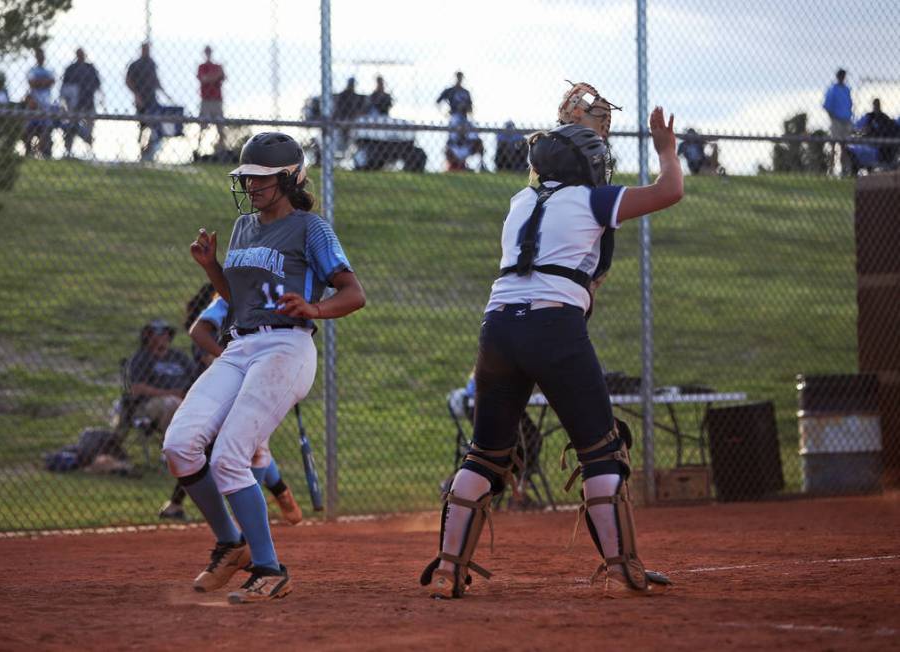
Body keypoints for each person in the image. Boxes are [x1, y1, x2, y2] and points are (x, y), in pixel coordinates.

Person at [419, 106, 683, 599]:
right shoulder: (591, 198)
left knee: (485, 454)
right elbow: (670, 192)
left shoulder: (521, 199)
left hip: (497, 326)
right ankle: (623, 565)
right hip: (553, 325)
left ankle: (448, 568)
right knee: (602, 450)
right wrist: (666, 150)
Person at [162, 132, 366, 604]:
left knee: (231, 455)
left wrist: (314, 310)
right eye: (246, 177)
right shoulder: (243, 228)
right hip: (239, 346)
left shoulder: (310, 227)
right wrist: (213, 268)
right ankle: (232, 545)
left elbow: (353, 293)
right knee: (179, 447)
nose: (250, 185)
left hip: (285, 347)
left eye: (260, 177)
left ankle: (271, 569)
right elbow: (238, 300)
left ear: (289, 178)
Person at [158, 292, 303, 525]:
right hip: (225, 381)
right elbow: (198, 332)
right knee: (203, 445)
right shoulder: (228, 300)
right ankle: (275, 495)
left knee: (254, 447)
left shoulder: (267, 297)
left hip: (262, 378)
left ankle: (253, 515)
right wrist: (227, 358)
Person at [125, 319, 195, 435]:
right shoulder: (141, 357)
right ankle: (170, 445)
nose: (163, 337)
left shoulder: (179, 356)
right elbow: (137, 388)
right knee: (172, 403)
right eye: (157, 333)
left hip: (185, 399)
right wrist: (170, 393)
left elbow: (197, 378)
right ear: (147, 337)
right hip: (150, 404)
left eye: (165, 333)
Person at [126, 42, 165, 161]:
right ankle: (141, 151)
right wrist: (137, 96)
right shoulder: (135, 64)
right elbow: (128, 80)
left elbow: (156, 80)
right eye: (145, 49)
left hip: (152, 100)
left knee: (155, 125)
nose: (147, 51)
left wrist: (165, 93)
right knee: (142, 126)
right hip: (141, 100)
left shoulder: (152, 63)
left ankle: (150, 152)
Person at [60, 47, 101, 157]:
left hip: (88, 103)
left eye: (82, 54)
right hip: (75, 105)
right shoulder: (71, 69)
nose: (81, 56)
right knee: (71, 127)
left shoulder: (90, 68)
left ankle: (90, 151)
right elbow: (64, 88)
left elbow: (97, 84)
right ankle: (68, 151)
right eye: (79, 54)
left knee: (90, 128)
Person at [23, 47, 56, 158]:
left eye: (42, 55)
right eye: (38, 55)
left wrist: (39, 83)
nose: (41, 58)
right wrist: (44, 82)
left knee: (46, 130)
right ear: (36, 57)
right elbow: (32, 83)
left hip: (46, 104)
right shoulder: (32, 70)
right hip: (34, 104)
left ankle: (44, 152)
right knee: (29, 130)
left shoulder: (49, 70)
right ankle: (29, 152)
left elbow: (52, 82)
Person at [822, 69, 853, 176]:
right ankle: (831, 169)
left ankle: (843, 170)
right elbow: (826, 105)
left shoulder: (847, 90)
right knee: (834, 144)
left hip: (846, 120)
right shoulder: (833, 89)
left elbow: (849, 105)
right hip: (836, 120)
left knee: (844, 146)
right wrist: (833, 117)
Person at [197, 45, 226, 154]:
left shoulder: (217, 66)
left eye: (209, 52)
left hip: (217, 100)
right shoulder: (202, 66)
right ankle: (198, 150)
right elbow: (203, 79)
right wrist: (215, 76)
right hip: (206, 100)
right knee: (202, 126)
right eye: (206, 52)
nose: (208, 54)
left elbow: (223, 76)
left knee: (220, 127)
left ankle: (222, 150)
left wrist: (214, 76)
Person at [855, 98, 899, 167]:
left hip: (879, 144)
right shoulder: (870, 116)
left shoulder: (884, 117)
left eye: (877, 105)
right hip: (872, 142)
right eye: (875, 105)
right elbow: (858, 128)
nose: (876, 107)